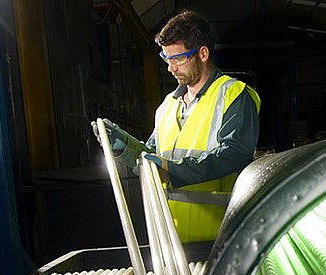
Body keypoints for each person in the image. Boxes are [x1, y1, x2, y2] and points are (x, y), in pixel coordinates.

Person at [93, 10, 261, 242]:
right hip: (170, 239)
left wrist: (171, 169)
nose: (171, 68)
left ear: (203, 53)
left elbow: (234, 156)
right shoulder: (167, 106)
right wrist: (126, 149)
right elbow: (153, 159)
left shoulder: (234, 95)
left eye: (178, 58)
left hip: (220, 238)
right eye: (166, 58)